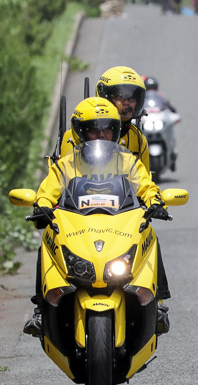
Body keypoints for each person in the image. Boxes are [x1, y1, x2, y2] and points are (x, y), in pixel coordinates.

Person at [23, 98, 171, 337]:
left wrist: (155, 202)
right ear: (81, 132)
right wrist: (41, 206)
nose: (101, 134)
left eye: (107, 128)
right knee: (48, 240)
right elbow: (46, 193)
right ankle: (40, 310)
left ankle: (160, 304)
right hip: (77, 224)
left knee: (150, 236)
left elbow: (146, 186)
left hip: (119, 222)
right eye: (94, 129)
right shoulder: (66, 163)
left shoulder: (128, 161)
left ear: (115, 131)